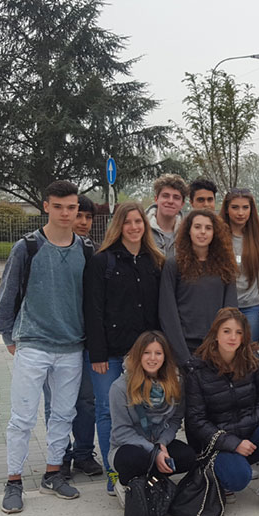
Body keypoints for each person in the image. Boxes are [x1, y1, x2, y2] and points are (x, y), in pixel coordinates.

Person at [0, 180, 91, 513]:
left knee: (63, 414)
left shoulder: (87, 250)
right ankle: (13, 480)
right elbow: (8, 293)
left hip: (72, 346)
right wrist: (7, 334)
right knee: (21, 418)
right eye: (59, 206)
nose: (66, 213)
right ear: (46, 207)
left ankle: (53, 473)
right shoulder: (28, 247)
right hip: (33, 344)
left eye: (72, 207)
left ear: (78, 208)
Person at [84, 201, 164, 495]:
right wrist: (98, 353)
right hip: (111, 353)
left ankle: (143, 465)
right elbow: (92, 309)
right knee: (107, 412)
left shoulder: (155, 261)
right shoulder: (102, 261)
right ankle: (113, 472)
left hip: (145, 354)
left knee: (144, 411)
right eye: (128, 222)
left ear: (145, 225)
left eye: (138, 222)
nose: (133, 227)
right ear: (118, 226)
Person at [183, 308, 259, 515]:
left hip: (249, 438)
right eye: (227, 331)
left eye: (238, 332)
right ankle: (223, 478)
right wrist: (233, 444)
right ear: (216, 333)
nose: (233, 337)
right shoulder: (197, 369)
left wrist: (258, 417)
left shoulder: (252, 361)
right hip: (218, 446)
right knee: (239, 478)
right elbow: (196, 421)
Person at [43, 194, 102, 481]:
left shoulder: (93, 252)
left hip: (85, 339)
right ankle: (60, 456)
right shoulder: (44, 247)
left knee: (86, 400)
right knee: (55, 401)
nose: (82, 222)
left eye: (88, 217)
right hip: (54, 340)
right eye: (79, 215)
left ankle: (83, 453)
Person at [108, 331, 195, 507]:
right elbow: (121, 432)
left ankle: (152, 481)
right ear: (138, 355)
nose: (152, 358)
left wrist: (162, 444)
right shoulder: (120, 387)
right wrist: (154, 451)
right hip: (129, 446)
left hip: (160, 442)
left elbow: (176, 419)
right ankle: (124, 484)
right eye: (147, 352)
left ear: (165, 357)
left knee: (188, 457)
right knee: (134, 459)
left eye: (158, 353)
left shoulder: (176, 382)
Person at [159, 210, 238, 367]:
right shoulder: (173, 265)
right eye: (197, 227)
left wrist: (223, 349)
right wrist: (183, 357)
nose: (203, 232)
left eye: (208, 228)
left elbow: (231, 311)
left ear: (215, 232)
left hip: (216, 347)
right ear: (188, 231)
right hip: (185, 347)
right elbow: (168, 313)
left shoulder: (225, 266)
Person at [221, 189, 259, 345]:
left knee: (249, 352)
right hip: (225, 306)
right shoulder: (217, 237)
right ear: (226, 209)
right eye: (235, 207)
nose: (240, 212)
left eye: (245, 207)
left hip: (253, 307)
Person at [146, 174, 188, 255]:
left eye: (176, 197)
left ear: (182, 204)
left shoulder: (188, 233)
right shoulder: (141, 229)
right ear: (156, 199)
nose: (170, 201)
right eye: (165, 196)